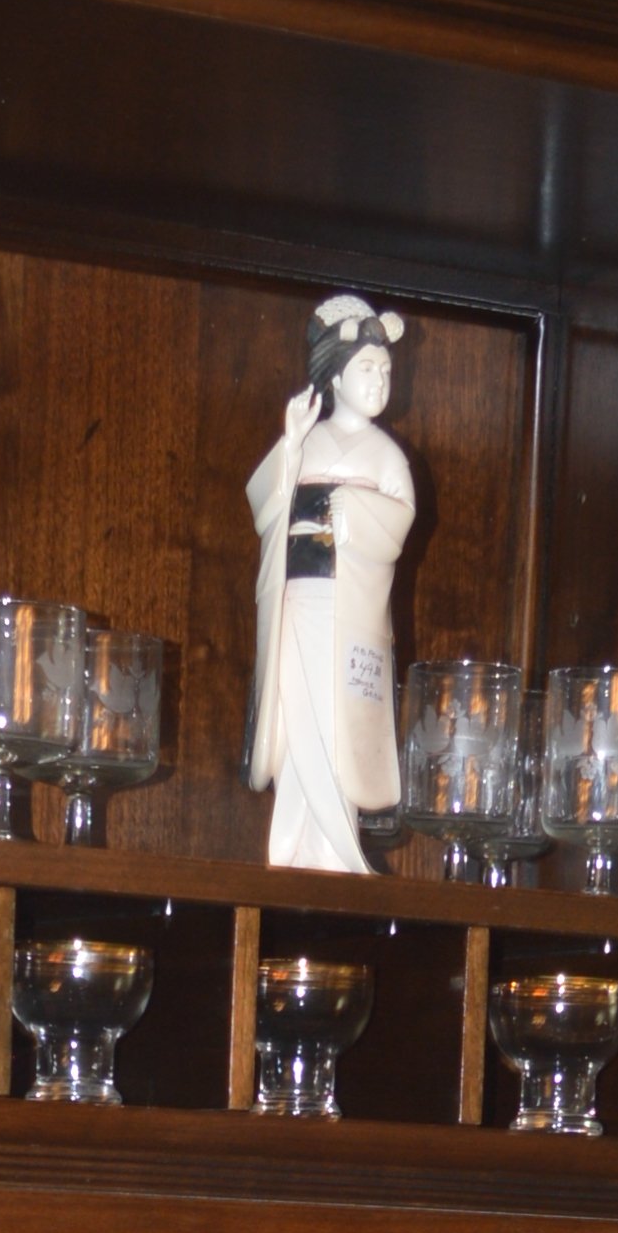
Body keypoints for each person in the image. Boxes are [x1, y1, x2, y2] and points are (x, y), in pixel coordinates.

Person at [242, 294, 412, 877]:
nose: (379, 381)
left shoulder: (386, 456)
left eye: (386, 370)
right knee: (299, 715)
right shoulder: (308, 441)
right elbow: (265, 506)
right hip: (300, 598)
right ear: (335, 377)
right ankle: (292, 846)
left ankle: (338, 849)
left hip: (348, 606)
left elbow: (400, 521)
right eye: (367, 369)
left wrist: (354, 512)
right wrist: (290, 444)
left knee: (338, 722)